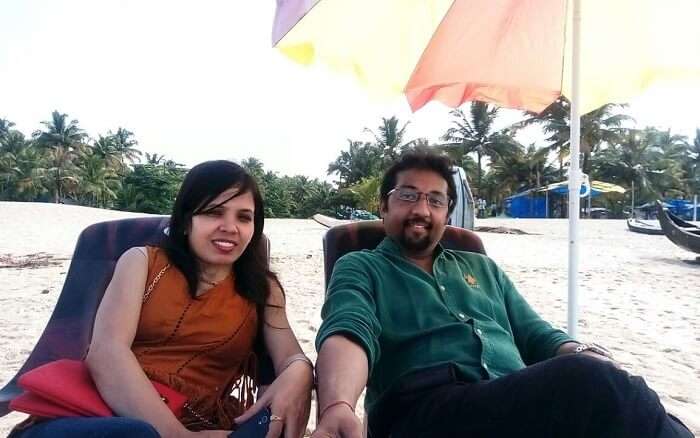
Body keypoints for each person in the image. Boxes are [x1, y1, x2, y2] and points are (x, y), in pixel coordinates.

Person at [311, 152, 693, 438]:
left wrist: (580, 350)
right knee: (594, 383)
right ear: (384, 206)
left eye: (436, 200)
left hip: (510, 403)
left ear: (448, 212)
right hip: (422, 411)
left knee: (622, 388)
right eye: (408, 196)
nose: (422, 210)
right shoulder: (362, 266)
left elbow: (536, 334)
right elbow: (349, 330)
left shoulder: (482, 268)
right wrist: (338, 404)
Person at [12, 161, 313, 438]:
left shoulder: (260, 290)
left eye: (244, 218)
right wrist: (176, 435)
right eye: (213, 212)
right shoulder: (143, 263)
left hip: (200, 421)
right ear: (185, 221)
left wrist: (300, 371)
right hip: (98, 414)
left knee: (271, 422)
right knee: (135, 434)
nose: (230, 227)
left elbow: (290, 355)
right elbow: (107, 351)